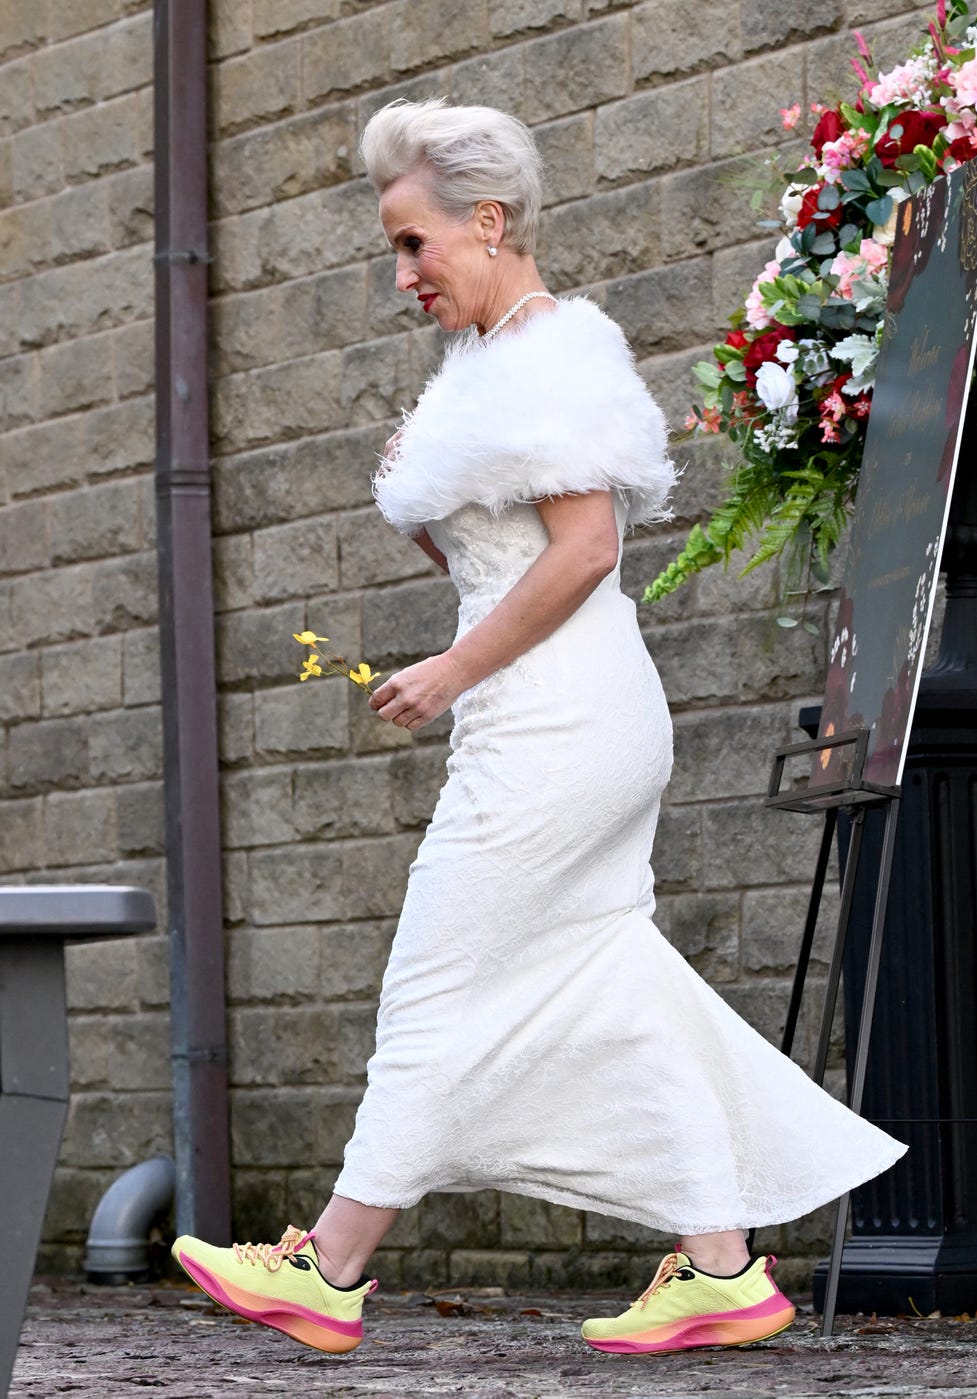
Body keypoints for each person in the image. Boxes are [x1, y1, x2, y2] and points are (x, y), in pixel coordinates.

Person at [173, 98, 905, 1359]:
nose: (401, 274)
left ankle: (330, 1265)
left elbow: (586, 550)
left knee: (436, 980)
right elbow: (489, 538)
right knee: (603, 981)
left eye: (414, 245)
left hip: (555, 722)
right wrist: (429, 500)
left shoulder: (555, 355)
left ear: (489, 221)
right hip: (560, 715)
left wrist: (453, 667)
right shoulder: (494, 364)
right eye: (393, 250)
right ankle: (722, 1266)